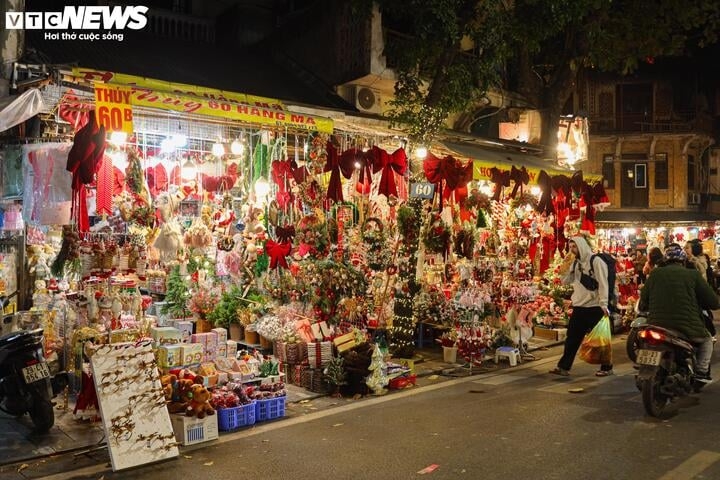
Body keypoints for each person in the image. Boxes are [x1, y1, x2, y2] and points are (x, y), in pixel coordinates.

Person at [638, 243, 719, 382]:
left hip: (655, 324)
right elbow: (714, 302)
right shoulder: (693, 275)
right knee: (707, 340)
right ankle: (701, 371)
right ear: (683, 261)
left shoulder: (655, 273)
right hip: (686, 327)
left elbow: (643, 301)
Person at [550, 236, 614, 377]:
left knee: (600, 339)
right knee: (572, 338)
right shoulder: (575, 263)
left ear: (582, 246)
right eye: (570, 247)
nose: (572, 250)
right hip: (579, 306)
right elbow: (566, 281)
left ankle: (607, 367)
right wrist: (565, 267)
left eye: (574, 247)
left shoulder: (596, 261)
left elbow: (603, 283)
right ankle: (564, 367)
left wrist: (604, 303)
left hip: (595, 306)